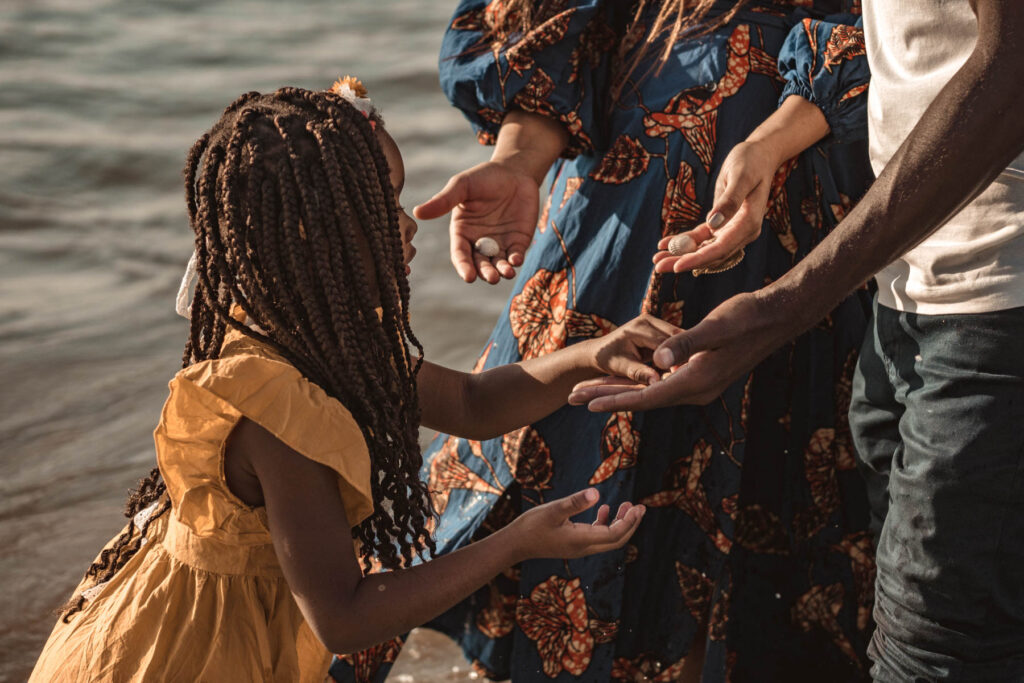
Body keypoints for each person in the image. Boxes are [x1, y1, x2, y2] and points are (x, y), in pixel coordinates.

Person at [26, 81, 671, 682]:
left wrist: (591, 356)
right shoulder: (277, 410)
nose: (408, 224)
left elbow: (472, 402)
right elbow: (343, 618)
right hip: (189, 656)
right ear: (311, 239)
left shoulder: (310, 335)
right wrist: (515, 544)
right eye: (380, 206)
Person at [331, 3, 876, 682]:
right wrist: (520, 162)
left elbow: (911, 37)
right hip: (619, 216)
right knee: (548, 459)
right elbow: (572, 27)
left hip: (795, 225)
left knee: (754, 520)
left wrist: (770, 143)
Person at [572, 1, 1024, 680]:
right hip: (906, 293)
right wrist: (768, 144)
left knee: (930, 649)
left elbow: (1012, 70)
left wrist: (786, 305)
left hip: (995, 303)